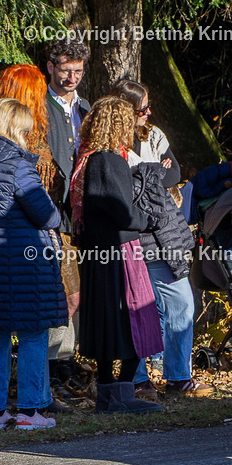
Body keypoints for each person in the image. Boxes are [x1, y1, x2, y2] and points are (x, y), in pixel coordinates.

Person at [110, 80, 213, 397]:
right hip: (130, 237)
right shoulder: (109, 142)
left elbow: (174, 173)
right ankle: (138, 379)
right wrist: (155, 171)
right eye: (143, 109)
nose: (149, 112)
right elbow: (125, 185)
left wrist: (146, 172)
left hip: (165, 235)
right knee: (139, 310)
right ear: (126, 111)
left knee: (182, 302)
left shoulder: (153, 134)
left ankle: (179, 376)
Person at [70, 96, 162, 414]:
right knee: (136, 319)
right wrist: (149, 219)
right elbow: (122, 212)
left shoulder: (89, 159)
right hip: (120, 251)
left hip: (97, 254)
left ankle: (109, 394)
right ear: (118, 124)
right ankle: (121, 395)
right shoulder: (112, 160)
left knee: (106, 323)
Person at [0, 64, 77, 413]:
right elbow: (45, 213)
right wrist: (57, 217)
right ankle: (31, 407)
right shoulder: (18, 162)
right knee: (32, 333)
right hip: (23, 261)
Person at [44, 39, 91, 202]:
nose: (72, 78)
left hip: (82, 201)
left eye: (78, 71)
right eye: (66, 71)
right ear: (51, 67)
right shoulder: (38, 106)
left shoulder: (86, 107)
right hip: (49, 199)